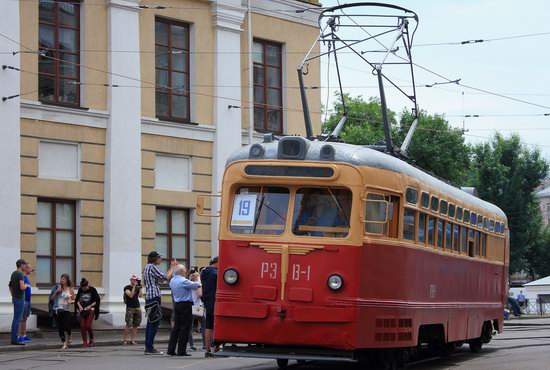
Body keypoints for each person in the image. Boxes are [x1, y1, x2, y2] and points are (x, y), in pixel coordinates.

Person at [143, 251, 177, 355]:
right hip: (154, 298)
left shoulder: (147, 267)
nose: (160, 259)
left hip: (149, 298)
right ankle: (149, 348)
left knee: (150, 322)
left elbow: (160, 280)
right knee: (155, 322)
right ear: (154, 258)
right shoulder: (152, 267)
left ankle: (148, 346)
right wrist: (172, 267)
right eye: (159, 258)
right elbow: (165, 277)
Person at [167, 264, 201, 356]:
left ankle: (171, 350)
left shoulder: (172, 280)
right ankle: (181, 350)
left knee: (176, 328)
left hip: (177, 304)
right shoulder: (183, 281)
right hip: (186, 305)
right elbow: (197, 286)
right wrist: (198, 278)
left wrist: (189, 279)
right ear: (182, 272)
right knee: (185, 328)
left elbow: (185, 285)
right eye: (185, 270)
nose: (186, 271)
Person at [49, 273, 75, 349]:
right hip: (57, 309)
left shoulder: (70, 289)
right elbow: (51, 299)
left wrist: (71, 302)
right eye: (61, 278)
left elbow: (73, 300)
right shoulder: (57, 288)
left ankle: (69, 335)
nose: (61, 280)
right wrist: (57, 291)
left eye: (63, 279)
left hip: (65, 309)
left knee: (66, 326)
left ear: (67, 280)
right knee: (60, 327)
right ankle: (64, 343)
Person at [75, 278, 100, 348]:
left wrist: (90, 306)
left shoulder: (93, 290)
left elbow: (97, 301)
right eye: (82, 288)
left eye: (85, 288)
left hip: (91, 309)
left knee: (88, 326)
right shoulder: (80, 290)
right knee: (82, 326)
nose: (83, 289)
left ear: (88, 285)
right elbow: (77, 299)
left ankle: (91, 340)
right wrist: (79, 307)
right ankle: (84, 341)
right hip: (82, 310)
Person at [201, 256, 218, 357]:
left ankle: (207, 350)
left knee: (208, 326)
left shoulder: (205, 272)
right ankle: (216, 348)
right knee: (216, 325)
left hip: (208, 302)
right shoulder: (216, 273)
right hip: (215, 301)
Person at [8, 259, 28, 345]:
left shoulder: (13, 273)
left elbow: (10, 286)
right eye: (25, 265)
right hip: (20, 299)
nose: (25, 266)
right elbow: (22, 287)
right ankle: (15, 339)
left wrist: (13, 296)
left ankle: (14, 338)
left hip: (15, 298)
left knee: (15, 319)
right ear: (21, 265)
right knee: (17, 319)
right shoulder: (20, 274)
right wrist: (26, 285)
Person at [123, 273, 143, 345]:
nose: (135, 281)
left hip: (137, 307)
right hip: (130, 307)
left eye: (136, 280)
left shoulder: (137, 287)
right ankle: (125, 340)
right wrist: (134, 286)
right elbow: (130, 295)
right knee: (128, 324)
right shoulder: (126, 287)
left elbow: (141, 296)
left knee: (136, 324)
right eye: (134, 279)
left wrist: (140, 288)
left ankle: (132, 340)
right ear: (131, 280)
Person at [187, 268, 204, 351]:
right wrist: (198, 278)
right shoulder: (197, 283)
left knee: (189, 326)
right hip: (197, 306)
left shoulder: (187, 283)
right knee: (204, 325)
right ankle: (205, 345)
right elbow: (199, 294)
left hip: (189, 305)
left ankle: (192, 345)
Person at [18, 263, 33, 343]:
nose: (31, 269)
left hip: (28, 301)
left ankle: (24, 335)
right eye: (30, 268)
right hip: (24, 301)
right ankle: (19, 336)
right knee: (21, 319)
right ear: (25, 268)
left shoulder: (26, 278)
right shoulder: (22, 277)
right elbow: (22, 288)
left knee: (25, 319)